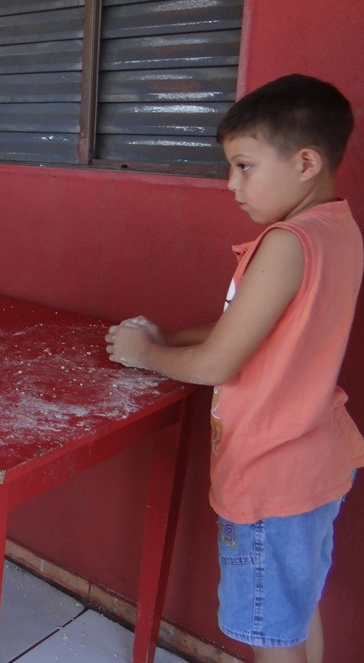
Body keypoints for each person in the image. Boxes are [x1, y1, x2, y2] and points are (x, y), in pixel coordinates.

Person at [105, 74, 364, 663]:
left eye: (244, 166)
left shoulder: (288, 242)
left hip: (271, 477)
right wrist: (167, 334)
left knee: (270, 638)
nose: (231, 185)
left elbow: (218, 362)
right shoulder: (338, 231)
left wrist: (144, 354)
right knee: (293, 616)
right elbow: (251, 327)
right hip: (315, 464)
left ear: (305, 161)